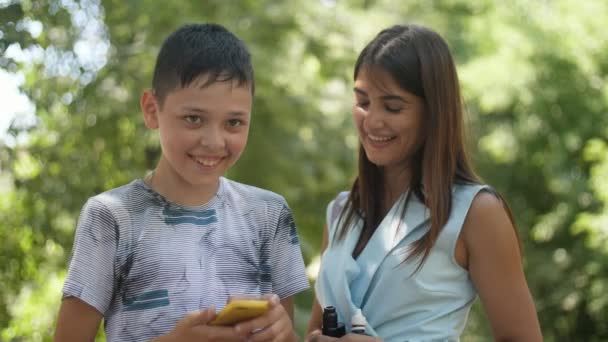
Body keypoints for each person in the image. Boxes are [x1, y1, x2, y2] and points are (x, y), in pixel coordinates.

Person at [54, 23, 309, 342]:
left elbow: (283, 331)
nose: (214, 142)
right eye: (193, 119)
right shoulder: (111, 216)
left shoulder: (270, 214)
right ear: (151, 110)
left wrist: (284, 333)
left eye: (234, 122)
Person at [306, 24, 543, 341]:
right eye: (363, 102)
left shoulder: (476, 212)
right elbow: (316, 331)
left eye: (392, 107)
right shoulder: (340, 212)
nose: (373, 120)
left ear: (434, 112)